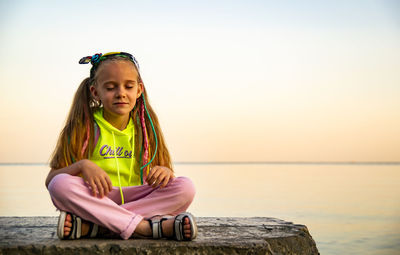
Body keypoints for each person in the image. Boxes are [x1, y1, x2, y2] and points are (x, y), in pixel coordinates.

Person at [45, 52, 197, 241]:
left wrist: (164, 171)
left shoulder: (145, 127)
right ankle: (146, 228)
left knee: (185, 187)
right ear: (95, 92)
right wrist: (82, 166)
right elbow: (50, 180)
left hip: (137, 197)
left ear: (139, 90)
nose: (121, 93)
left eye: (129, 86)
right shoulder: (83, 126)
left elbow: (165, 174)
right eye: (110, 87)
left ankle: (97, 226)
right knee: (59, 184)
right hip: (96, 198)